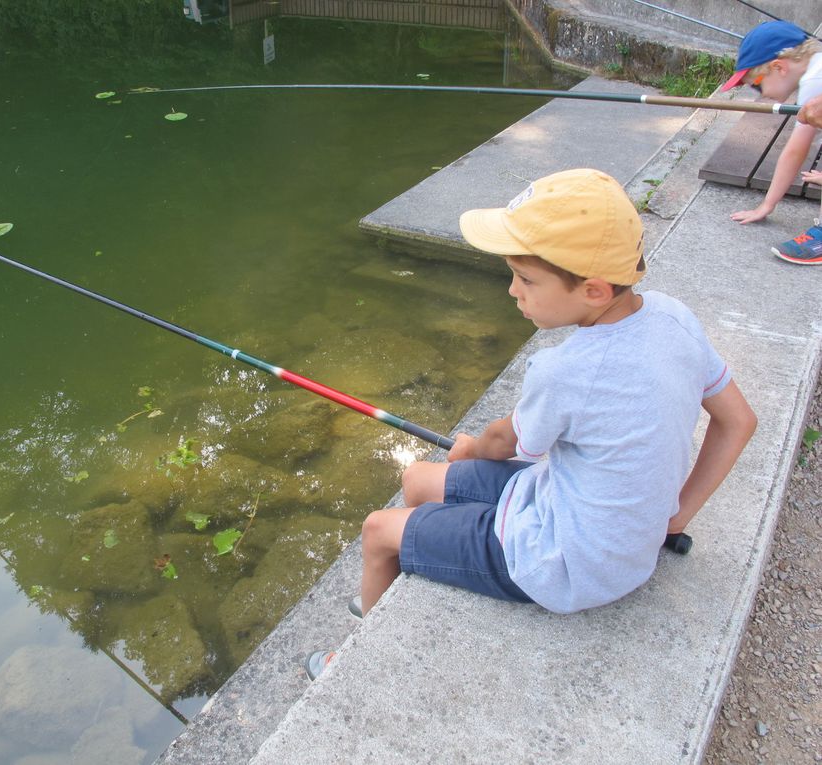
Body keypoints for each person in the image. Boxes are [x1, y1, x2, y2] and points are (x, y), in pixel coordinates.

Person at [304, 169, 757, 681]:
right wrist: (674, 517)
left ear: (592, 289)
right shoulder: (674, 318)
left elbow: (501, 442)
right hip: (580, 514)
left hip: (563, 563)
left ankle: (356, 663)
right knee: (417, 480)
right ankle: (419, 561)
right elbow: (739, 421)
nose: (513, 291)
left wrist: (471, 447)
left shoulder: (568, 371)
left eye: (526, 279)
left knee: (377, 531)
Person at [722, 21, 822, 264]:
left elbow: (796, 150)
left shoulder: (813, 79)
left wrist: (766, 205)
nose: (762, 94)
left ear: (779, 67)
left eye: (757, 85)